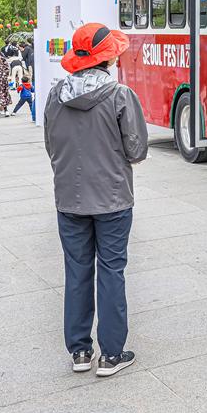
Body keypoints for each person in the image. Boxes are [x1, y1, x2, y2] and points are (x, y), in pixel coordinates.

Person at [44, 22, 147, 377]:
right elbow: (136, 150)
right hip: (113, 199)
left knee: (76, 271)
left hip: (69, 200)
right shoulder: (121, 96)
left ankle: (80, 352)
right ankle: (112, 355)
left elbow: (51, 146)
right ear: (108, 59)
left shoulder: (56, 95)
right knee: (111, 270)